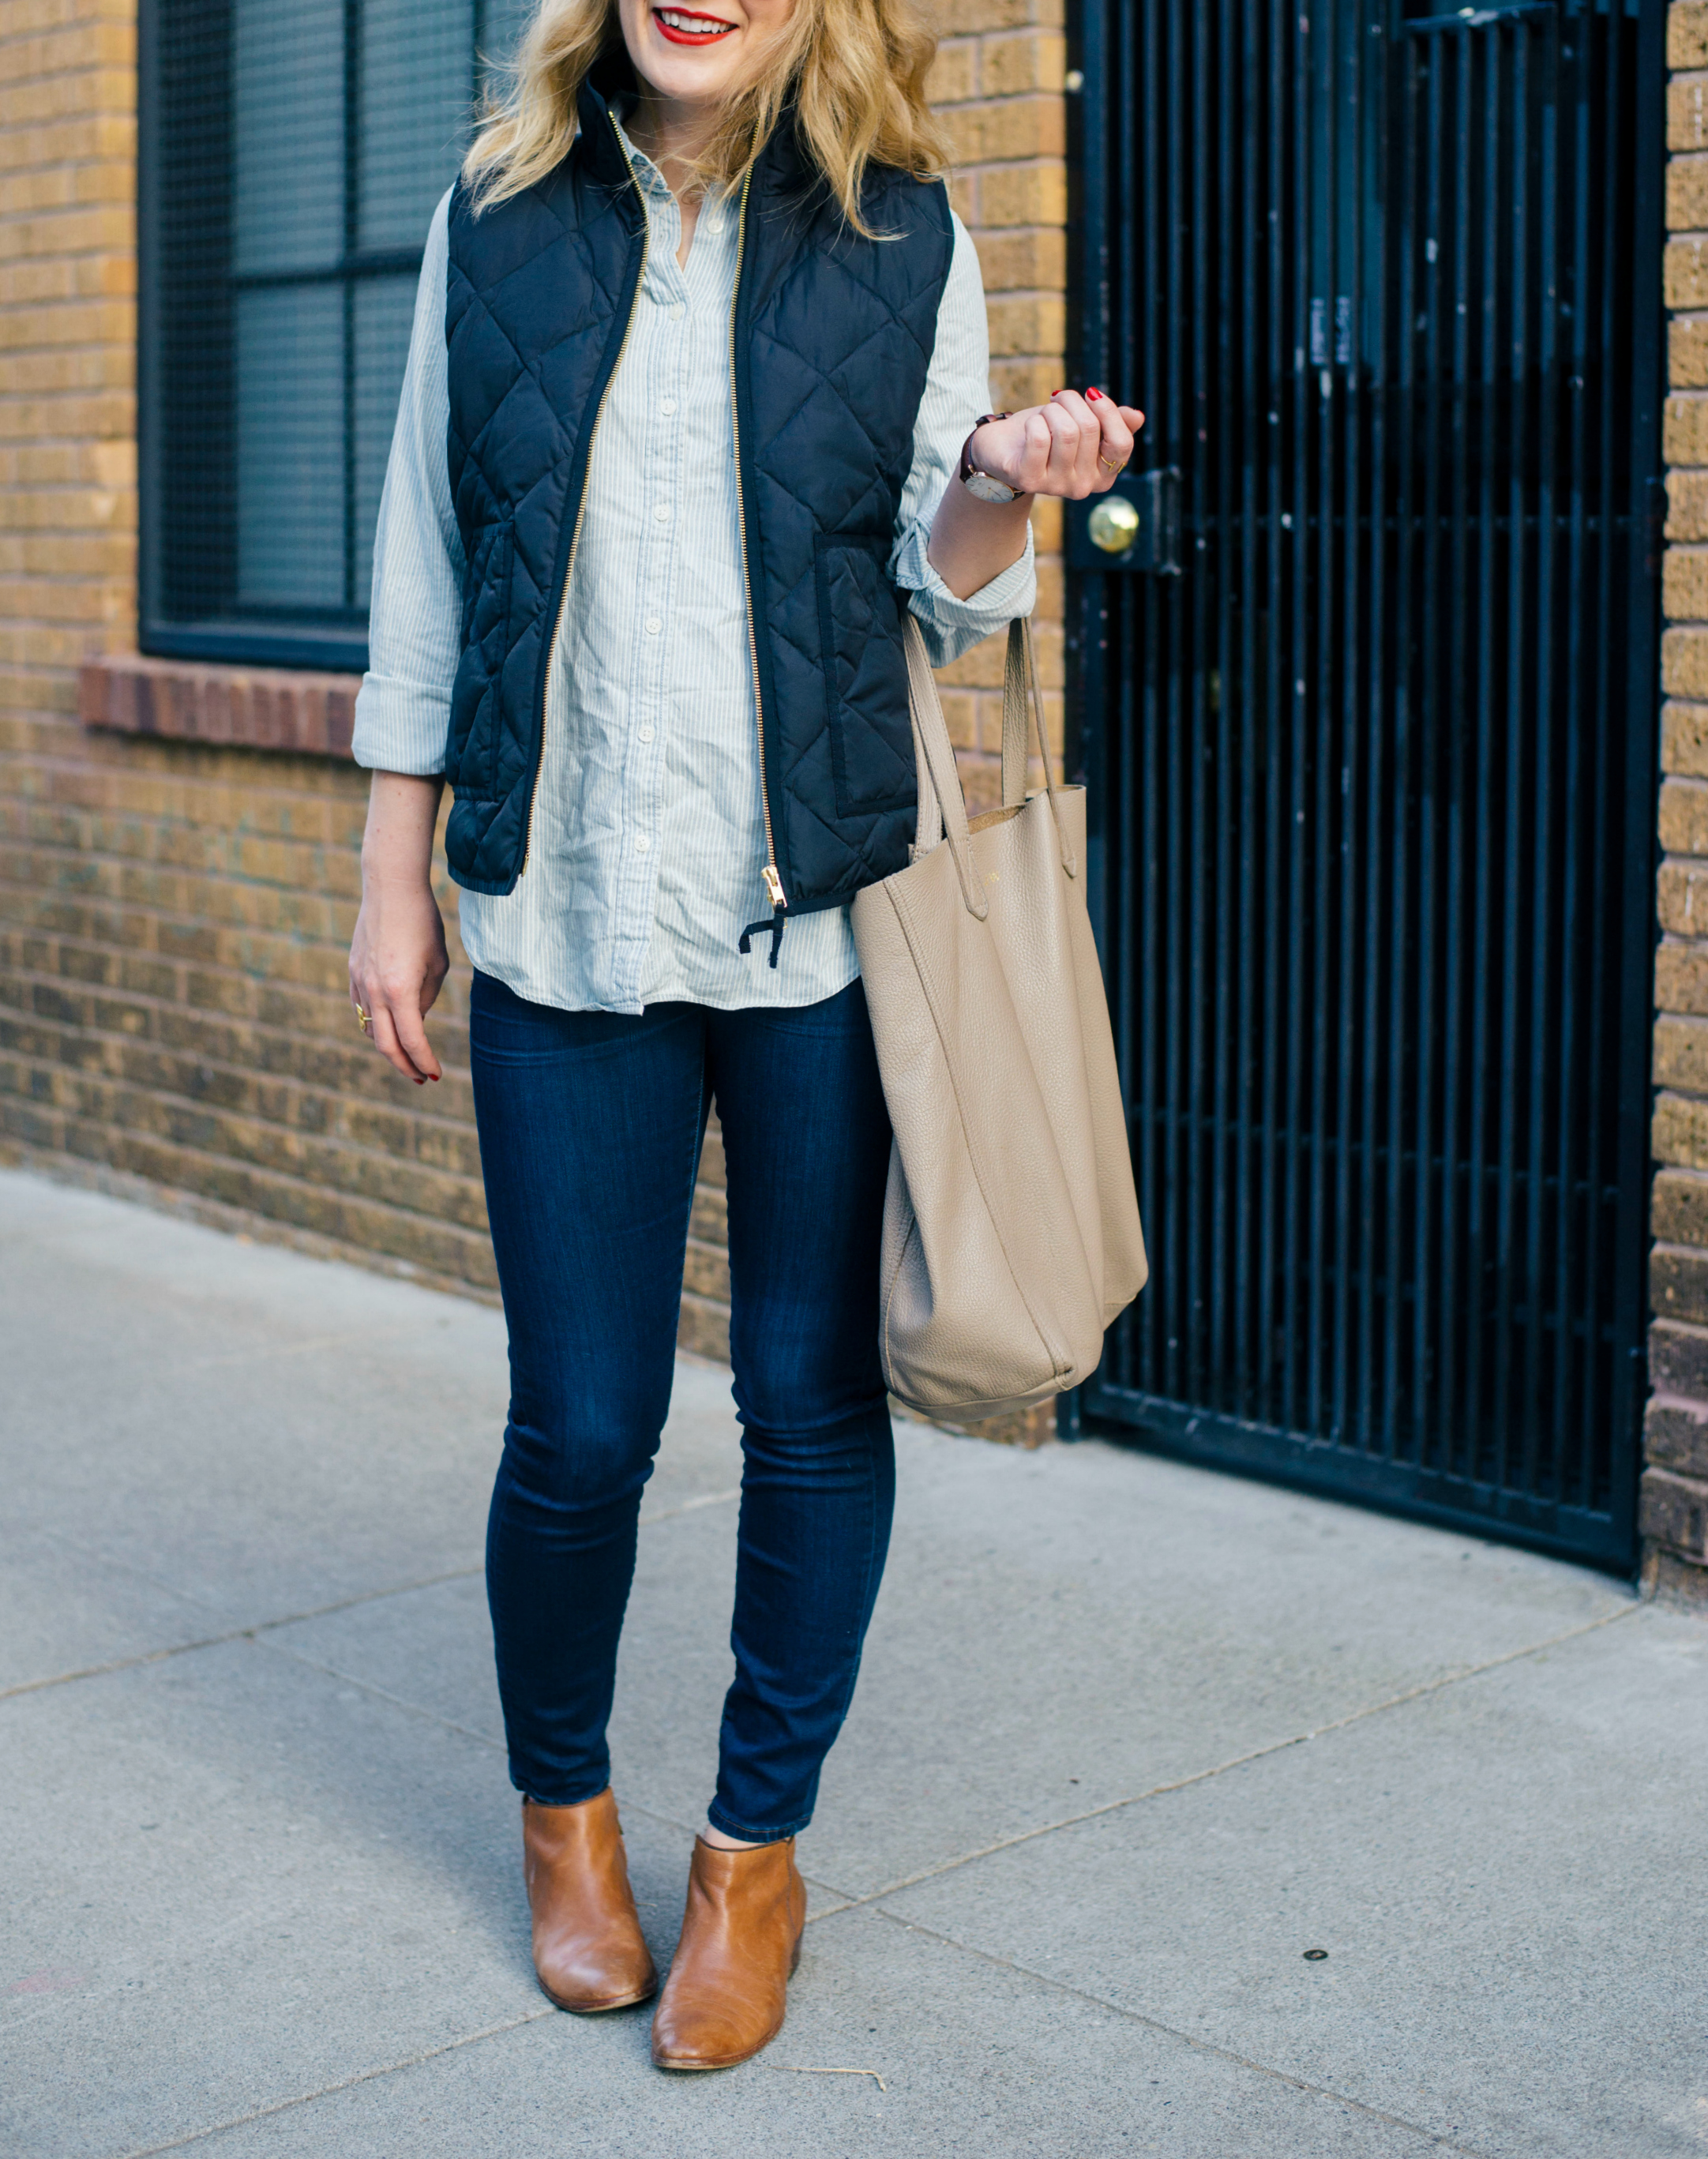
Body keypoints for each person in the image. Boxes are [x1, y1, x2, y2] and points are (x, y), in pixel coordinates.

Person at [346, 0, 1143, 2074]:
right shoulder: (494, 213)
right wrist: (387, 881)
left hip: (823, 928)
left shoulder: (902, 226)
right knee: (582, 1429)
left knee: (805, 1405)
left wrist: (994, 482)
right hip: (561, 916)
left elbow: (946, 593)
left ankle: (751, 1858)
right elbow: (428, 562)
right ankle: (564, 1815)